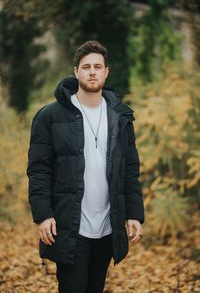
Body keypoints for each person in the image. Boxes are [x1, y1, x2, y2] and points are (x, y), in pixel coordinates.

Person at [27, 40, 145, 293]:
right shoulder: (50, 116)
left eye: (98, 66)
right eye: (86, 66)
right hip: (70, 225)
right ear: (76, 71)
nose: (92, 71)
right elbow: (39, 169)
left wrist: (134, 213)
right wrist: (43, 214)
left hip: (106, 226)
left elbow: (130, 169)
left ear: (106, 72)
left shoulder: (121, 118)